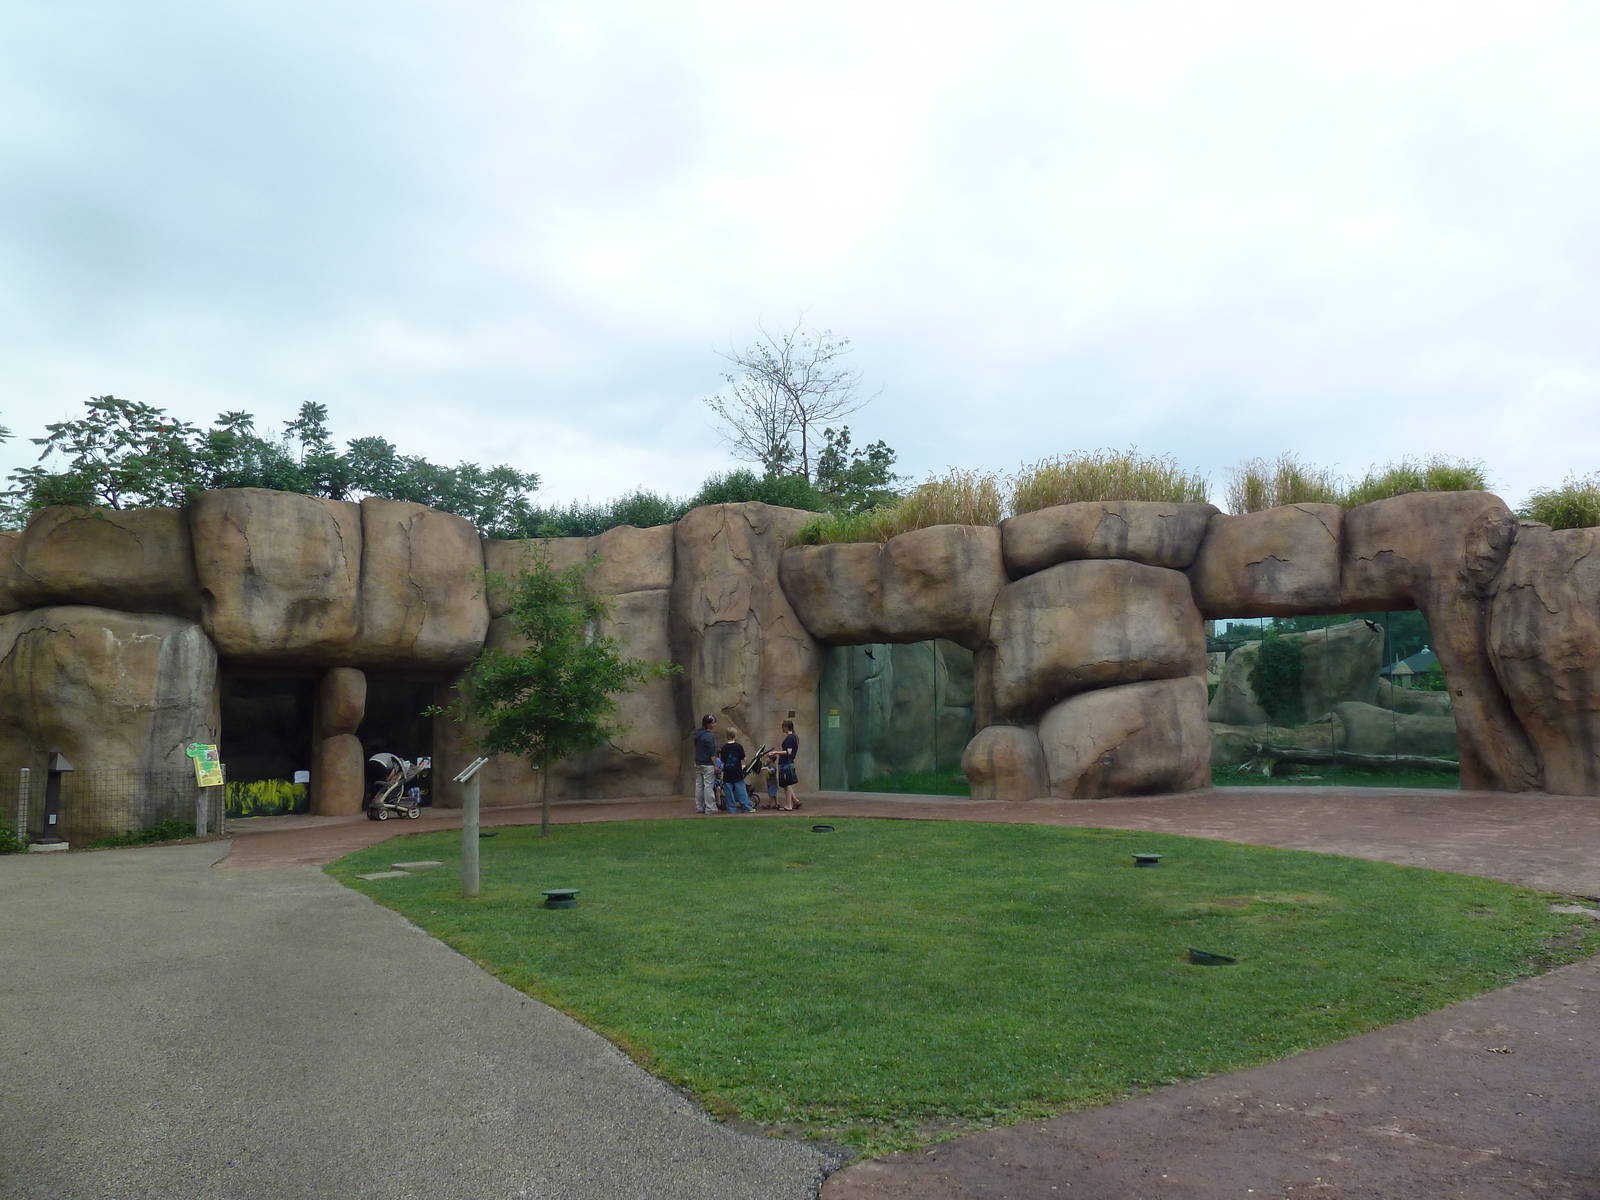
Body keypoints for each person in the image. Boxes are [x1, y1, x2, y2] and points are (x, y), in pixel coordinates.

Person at [691, 714, 720, 814]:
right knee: (708, 786)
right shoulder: (709, 736)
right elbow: (712, 753)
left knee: (699, 786)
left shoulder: (697, 734)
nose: (714, 724)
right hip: (707, 764)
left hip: (698, 762)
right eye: (713, 722)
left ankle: (699, 807)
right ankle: (710, 808)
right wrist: (716, 765)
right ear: (708, 724)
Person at [719, 732, 754, 813]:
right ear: (734, 736)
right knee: (741, 790)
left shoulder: (724, 747)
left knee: (728, 791)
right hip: (737, 771)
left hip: (727, 772)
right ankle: (746, 807)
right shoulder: (738, 746)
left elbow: (722, 760)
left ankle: (731, 809)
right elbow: (743, 758)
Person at [776, 718, 801, 811]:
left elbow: (788, 752)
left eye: (783, 727)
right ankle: (794, 800)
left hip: (786, 763)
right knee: (787, 784)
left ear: (786, 727)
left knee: (786, 784)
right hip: (787, 762)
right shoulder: (793, 737)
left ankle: (789, 805)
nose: (782, 729)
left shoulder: (790, 738)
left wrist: (776, 752)